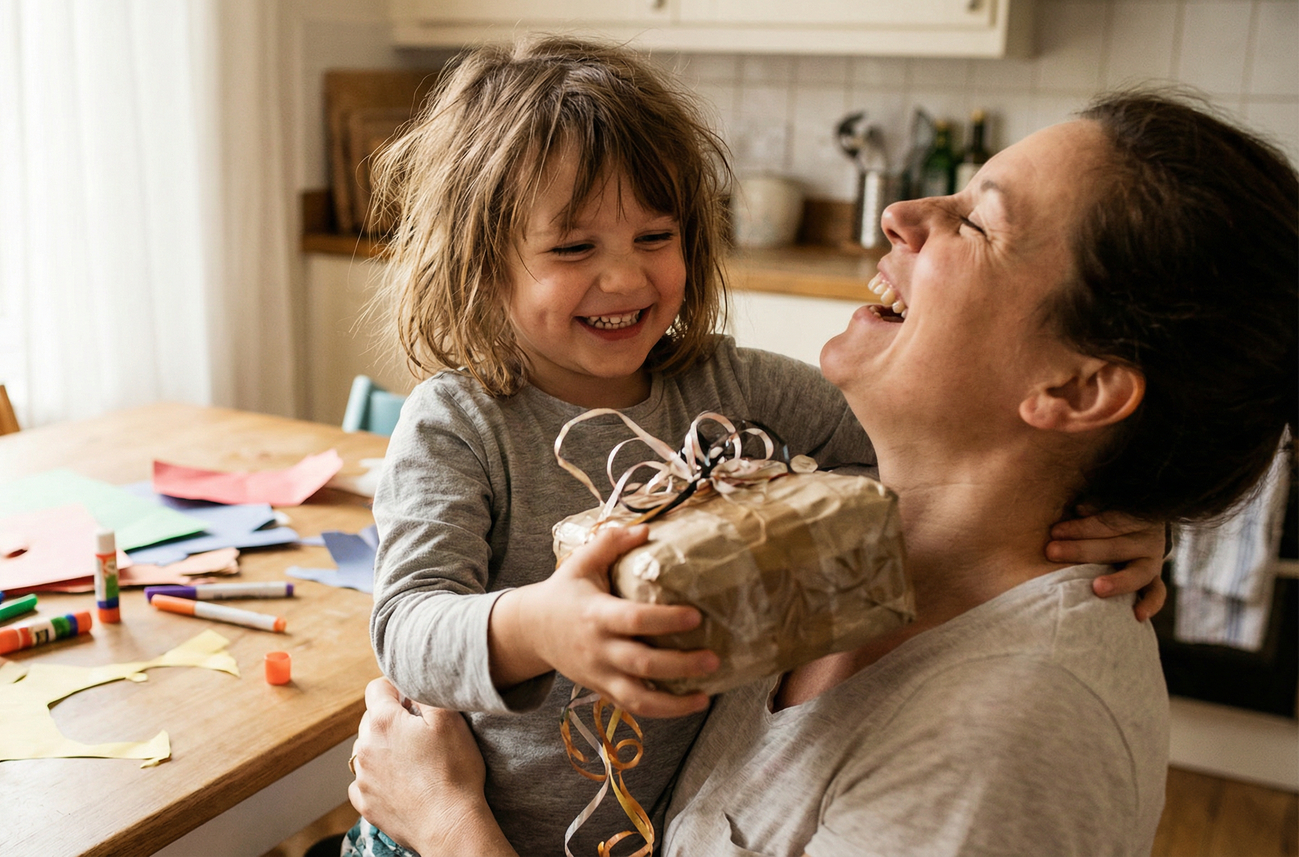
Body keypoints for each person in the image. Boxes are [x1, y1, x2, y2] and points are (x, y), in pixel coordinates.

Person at [350, 37, 1175, 857]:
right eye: (573, 248)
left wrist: (1109, 500)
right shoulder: (460, 422)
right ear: (479, 261)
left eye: (655, 236)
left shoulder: (731, 387)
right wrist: (541, 626)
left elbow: (923, 471)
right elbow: (406, 624)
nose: (626, 279)